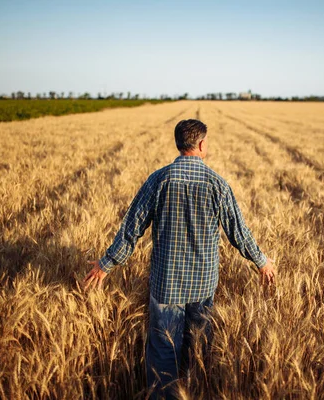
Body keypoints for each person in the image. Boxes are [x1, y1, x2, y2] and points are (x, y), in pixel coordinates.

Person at [81, 119, 276, 399]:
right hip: (203, 287)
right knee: (198, 352)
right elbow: (238, 233)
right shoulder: (217, 184)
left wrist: (106, 263)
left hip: (166, 285)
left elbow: (132, 228)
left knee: (163, 356)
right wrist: (262, 262)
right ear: (201, 144)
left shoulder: (158, 180)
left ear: (179, 143)